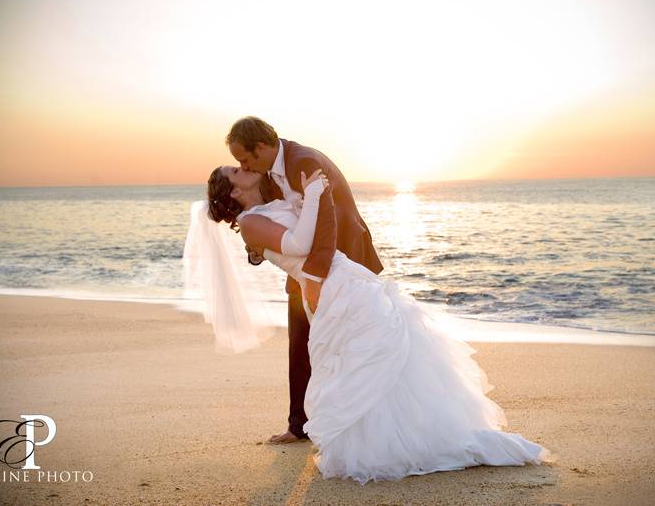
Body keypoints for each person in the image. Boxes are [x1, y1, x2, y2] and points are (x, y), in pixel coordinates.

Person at [201, 163, 557, 484]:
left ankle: (418, 434)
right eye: (236, 171)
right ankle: (387, 445)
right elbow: (299, 242)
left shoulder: (270, 205)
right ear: (233, 191)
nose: (244, 167)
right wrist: (311, 195)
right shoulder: (250, 223)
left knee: (385, 354)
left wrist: (309, 195)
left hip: (345, 279)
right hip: (333, 291)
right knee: (364, 359)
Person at [225, 117, 383, 444]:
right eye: (239, 163)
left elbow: (327, 223)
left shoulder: (304, 162)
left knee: (356, 343)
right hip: (304, 267)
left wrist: (314, 277)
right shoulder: (265, 176)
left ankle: (360, 420)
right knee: (301, 341)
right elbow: (267, 222)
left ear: (263, 147)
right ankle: (299, 425)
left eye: (245, 159)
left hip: (343, 258)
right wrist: (258, 248)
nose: (242, 166)